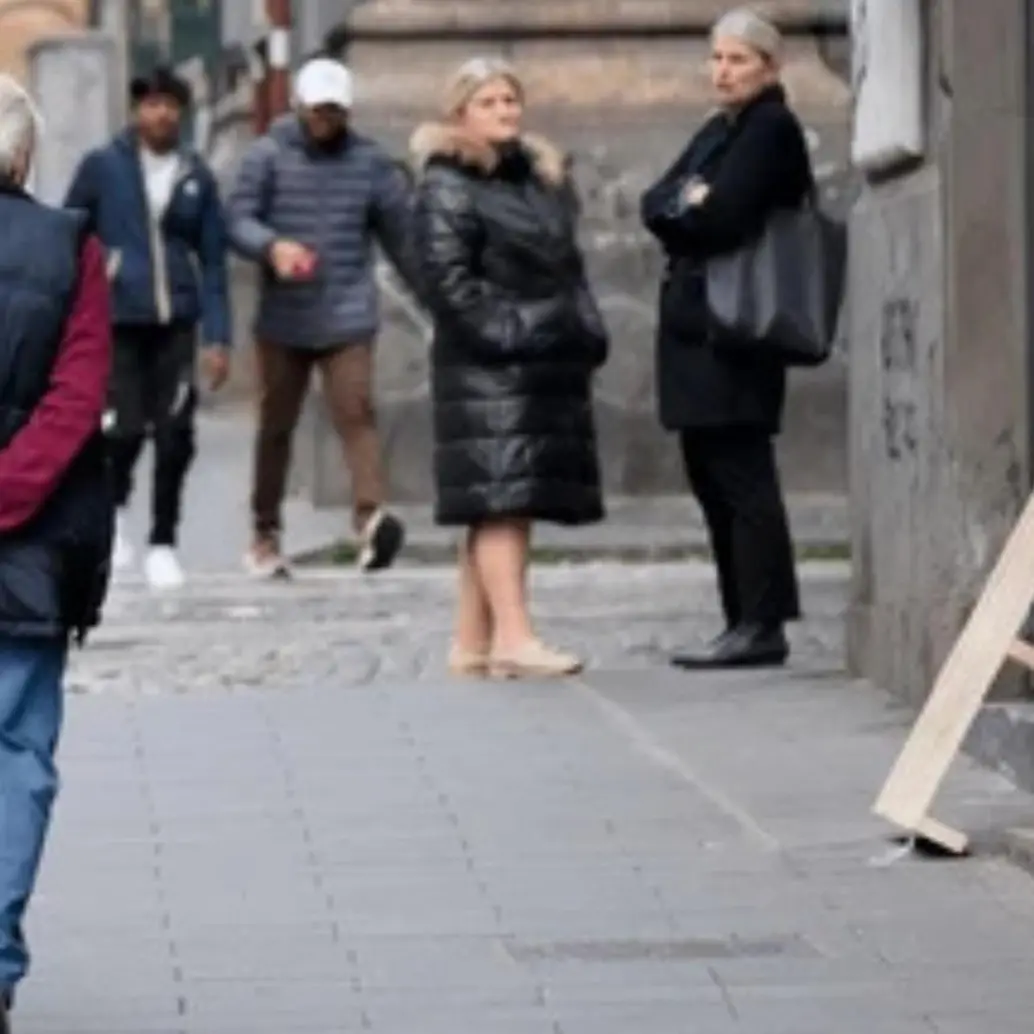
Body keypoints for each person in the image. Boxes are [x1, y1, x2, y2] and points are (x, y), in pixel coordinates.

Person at [411, 57, 608, 679]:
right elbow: (447, 282)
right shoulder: (447, 185)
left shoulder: (536, 179)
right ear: (460, 112)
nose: (505, 111)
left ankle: (473, 641)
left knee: (499, 498)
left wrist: (583, 328)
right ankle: (515, 638)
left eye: (511, 100)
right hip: (489, 367)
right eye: (490, 101)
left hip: (536, 363)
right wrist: (514, 332)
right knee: (501, 502)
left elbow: (567, 263)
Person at [640, 8, 813, 670]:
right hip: (702, 327)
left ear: (770, 68)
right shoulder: (722, 128)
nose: (722, 71)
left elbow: (725, 217)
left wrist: (692, 206)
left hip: (738, 329)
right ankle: (740, 616)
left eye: (737, 60)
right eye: (716, 58)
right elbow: (655, 200)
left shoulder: (770, 128)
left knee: (740, 472)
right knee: (710, 472)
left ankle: (763, 620)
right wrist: (689, 201)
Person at [0, 76, 113, 1031]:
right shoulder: (71, 247)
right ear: (24, 154)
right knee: (16, 752)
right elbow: (77, 401)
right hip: (27, 548)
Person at [227, 55, 416, 578]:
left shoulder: (371, 164)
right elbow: (238, 219)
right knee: (276, 425)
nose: (325, 119)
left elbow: (402, 238)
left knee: (357, 413)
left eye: (335, 110)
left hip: (347, 309)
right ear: (298, 107)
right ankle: (264, 532)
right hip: (284, 316)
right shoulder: (266, 156)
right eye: (317, 110)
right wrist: (272, 247)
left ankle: (371, 520)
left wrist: (438, 294)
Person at [64, 65, 232, 591]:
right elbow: (71, 234)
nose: (160, 113)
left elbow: (214, 260)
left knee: (177, 434)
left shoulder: (195, 175)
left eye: (169, 105)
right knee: (122, 429)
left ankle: (164, 540)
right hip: (118, 319)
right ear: (136, 111)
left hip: (176, 320)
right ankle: (112, 520)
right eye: (151, 104)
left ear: (180, 112)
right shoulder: (102, 168)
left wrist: (219, 336)